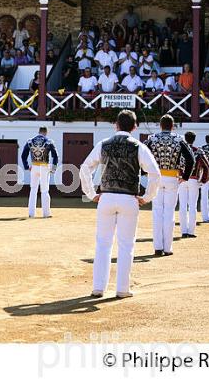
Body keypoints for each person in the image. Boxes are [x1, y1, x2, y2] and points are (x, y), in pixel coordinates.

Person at [80, 110, 160, 298]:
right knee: (126, 245)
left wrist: (91, 193)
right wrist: (147, 197)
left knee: (103, 244)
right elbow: (155, 174)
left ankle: (98, 287)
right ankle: (122, 289)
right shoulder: (138, 146)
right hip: (129, 199)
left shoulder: (103, 144)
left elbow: (85, 168)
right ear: (134, 127)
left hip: (106, 197)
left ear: (116, 125)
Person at [144, 114, 194, 256]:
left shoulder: (152, 139)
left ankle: (158, 248)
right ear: (172, 126)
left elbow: (141, 154)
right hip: (172, 178)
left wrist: (144, 172)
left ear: (160, 125)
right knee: (169, 213)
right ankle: (167, 248)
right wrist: (185, 177)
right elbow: (191, 159)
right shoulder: (179, 139)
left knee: (157, 212)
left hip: (156, 178)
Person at [178, 131, 209, 238]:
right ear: (194, 139)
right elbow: (207, 167)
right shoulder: (198, 151)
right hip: (193, 180)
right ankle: (191, 231)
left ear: (185, 138)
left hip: (181, 180)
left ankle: (183, 231)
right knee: (192, 206)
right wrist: (203, 180)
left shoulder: (180, 150)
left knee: (182, 206)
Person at [21, 127, 59, 218]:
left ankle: (31, 213)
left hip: (34, 167)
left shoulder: (30, 141)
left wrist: (27, 166)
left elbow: (23, 156)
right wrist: (53, 168)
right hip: (44, 167)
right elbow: (56, 156)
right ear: (46, 132)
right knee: (45, 190)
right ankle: (46, 213)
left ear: (38, 132)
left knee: (33, 190)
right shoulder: (49, 141)